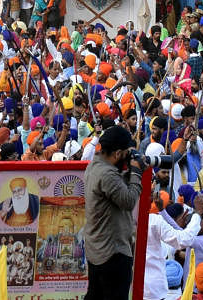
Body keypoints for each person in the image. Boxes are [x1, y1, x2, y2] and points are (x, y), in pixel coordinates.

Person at [82, 125, 142, 300]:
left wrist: (128, 171)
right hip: (113, 253)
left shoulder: (95, 166)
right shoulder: (107, 174)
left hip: (97, 249)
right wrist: (137, 172)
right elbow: (129, 200)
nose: (128, 157)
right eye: (126, 153)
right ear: (117, 154)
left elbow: (114, 188)